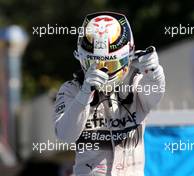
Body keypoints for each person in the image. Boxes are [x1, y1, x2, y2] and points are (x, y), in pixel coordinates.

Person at [53, 12, 165, 176]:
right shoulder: (71, 90)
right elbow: (65, 136)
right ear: (81, 59)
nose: (102, 71)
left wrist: (154, 72)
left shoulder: (137, 83)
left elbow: (155, 96)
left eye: (111, 64)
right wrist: (85, 93)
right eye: (94, 64)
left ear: (127, 57)